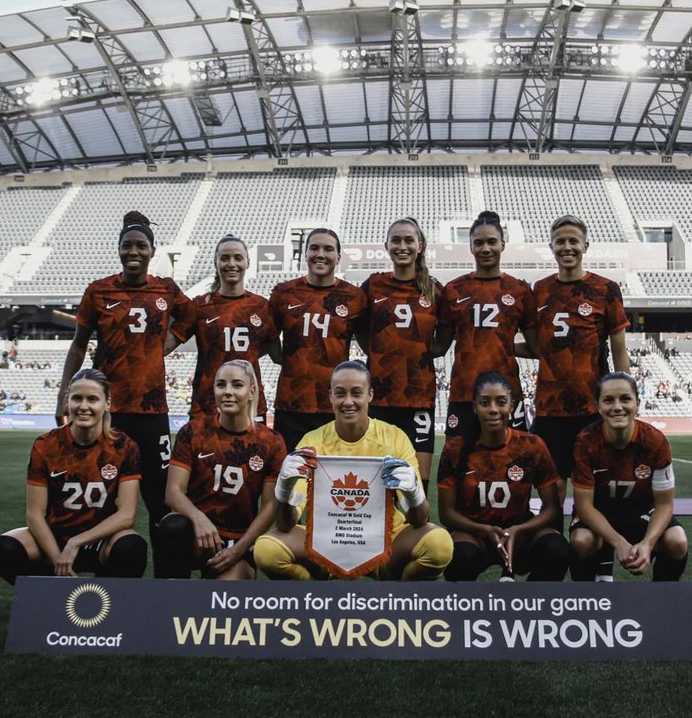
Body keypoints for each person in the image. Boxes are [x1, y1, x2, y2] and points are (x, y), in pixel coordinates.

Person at [55, 211, 196, 549]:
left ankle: (166, 581)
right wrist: (63, 394)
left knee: (160, 499)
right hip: (109, 411)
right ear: (118, 249)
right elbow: (77, 346)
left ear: (152, 250)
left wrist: (168, 343)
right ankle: (103, 570)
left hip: (151, 411)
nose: (134, 252)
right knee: (102, 493)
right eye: (127, 246)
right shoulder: (99, 291)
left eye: (141, 246)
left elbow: (191, 316)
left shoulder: (166, 289)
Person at [252, 360, 453, 581]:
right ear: (330, 396)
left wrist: (413, 493)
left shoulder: (394, 437)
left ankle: (398, 599)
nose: (348, 401)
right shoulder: (312, 442)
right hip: (325, 542)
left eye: (356, 393)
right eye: (340, 393)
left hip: (386, 541)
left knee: (439, 545)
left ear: (370, 395)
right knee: (267, 551)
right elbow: (285, 523)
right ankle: (314, 595)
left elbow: (419, 519)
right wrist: (285, 490)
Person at [0, 369, 147, 584]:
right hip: (54, 538)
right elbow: (34, 515)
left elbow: (127, 516)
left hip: (100, 538)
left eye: (92, 399)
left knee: (131, 548)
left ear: (107, 403)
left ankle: (108, 602)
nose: (84, 406)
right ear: (67, 401)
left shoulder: (124, 447)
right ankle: (50, 593)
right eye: (77, 398)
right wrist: (58, 559)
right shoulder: (45, 445)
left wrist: (76, 543)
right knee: (5, 548)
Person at [521, 214, 629, 503]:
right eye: (560, 242)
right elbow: (538, 346)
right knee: (552, 490)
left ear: (586, 246)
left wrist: (626, 395)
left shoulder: (606, 289)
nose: (567, 247)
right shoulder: (539, 289)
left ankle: (592, 547)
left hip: (592, 406)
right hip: (550, 406)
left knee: (594, 488)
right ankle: (555, 546)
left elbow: (619, 348)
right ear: (551, 247)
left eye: (573, 241)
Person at [157, 361, 286, 580]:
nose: (227, 392)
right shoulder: (193, 431)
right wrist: (198, 518)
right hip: (197, 533)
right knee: (173, 525)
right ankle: (172, 601)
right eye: (221, 385)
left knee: (224, 597)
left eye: (237, 385)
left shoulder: (270, 442)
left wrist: (239, 549)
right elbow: (173, 492)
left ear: (252, 391)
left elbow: (270, 506)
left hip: (239, 537)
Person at [437, 372, 570, 582]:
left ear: (512, 406)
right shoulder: (455, 448)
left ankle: (529, 606)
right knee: (460, 556)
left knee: (557, 550)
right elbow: (446, 513)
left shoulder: (531, 446)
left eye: (501, 402)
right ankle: (467, 611)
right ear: (474, 406)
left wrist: (520, 529)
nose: (493, 410)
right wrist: (485, 529)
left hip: (519, 534)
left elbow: (552, 508)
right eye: (484, 403)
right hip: (474, 534)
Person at [568, 372, 688, 582]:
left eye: (625, 399)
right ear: (597, 406)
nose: (617, 407)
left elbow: (664, 504)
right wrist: (619, 543)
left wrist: (648, 544)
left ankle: (663, 598)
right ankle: (586, 601)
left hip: (640, 511)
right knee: (581, 540)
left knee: (677, 541)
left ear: (637, 403)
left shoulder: (655, 441)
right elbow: (584, 506)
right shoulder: (586, 441)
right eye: (608, 400)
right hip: (598, 512)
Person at [358, 217, 442, 492]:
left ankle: (416, 536)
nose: (402, 246)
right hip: (380, 397)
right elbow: (360, 331)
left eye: (408, 240)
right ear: (386, 246)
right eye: (396, 240)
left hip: (419, 397)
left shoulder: (435, 290)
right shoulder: (373, 286)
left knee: (416, 484)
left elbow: (442, 343)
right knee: (377, 484)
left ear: (420, 245)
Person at [434, 210, 533, 440]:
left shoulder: (519, 290)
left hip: (508, 392)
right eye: (478, 243)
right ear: (470, 247)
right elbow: (440, 346)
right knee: (458, 463)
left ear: (503, 244)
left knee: (513, 463)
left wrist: (505, 345)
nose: (485, 248)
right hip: (464, 391)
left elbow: (537, 347)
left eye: (491, 242)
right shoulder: (454, 289)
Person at [268, 228, 367, 453]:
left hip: (335, 405)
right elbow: (271, 343)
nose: (320, 254)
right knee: (290, 477)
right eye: (314, 248)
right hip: (292, 403)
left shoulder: (354, 297)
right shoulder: (284, 293)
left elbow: (368, 343)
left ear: (338, 257)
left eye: (328, 249)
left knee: (330, 480)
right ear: (305, 254)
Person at [179, 235, 277, 421]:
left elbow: (274, 353)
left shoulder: (262, 306)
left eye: (238, 258)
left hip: (251, 407)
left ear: (247, 262)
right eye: (225, 258)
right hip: (207, 407)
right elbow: (163, 346)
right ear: (215, 262)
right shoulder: (199, 306)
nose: (231, 264)